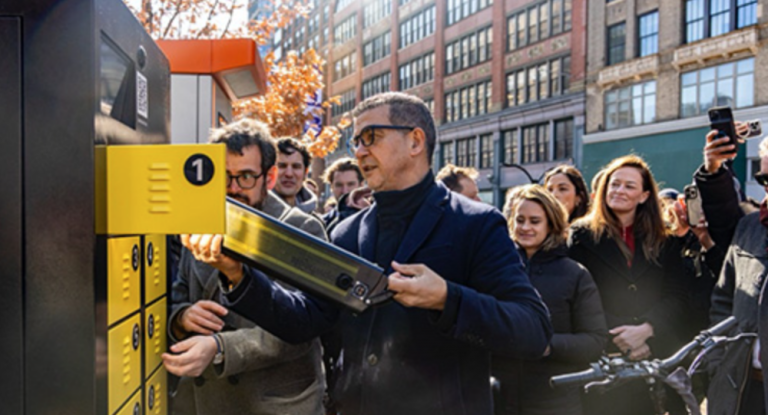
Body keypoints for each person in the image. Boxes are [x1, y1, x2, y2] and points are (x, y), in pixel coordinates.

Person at [184, 92, 553, 415]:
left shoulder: (475, 223)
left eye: (370, 137)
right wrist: (238, 275)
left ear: (415, 141)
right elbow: (306, 320)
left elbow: (533, 331)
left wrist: (447, 298)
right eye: (355, 141)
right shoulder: (346, 232)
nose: (359, 150)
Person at [161, 119, 327, 415]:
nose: (233, 188)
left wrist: (220, 347)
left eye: (246, 177)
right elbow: (177, 297)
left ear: (270, 176)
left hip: (272, 403)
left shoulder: (301, 228)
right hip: (204, 401)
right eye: (224, 177)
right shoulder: (199, 221)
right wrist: (183, 318)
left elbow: (303, 328)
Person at [568, 155, 688, 415]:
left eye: (629, 186)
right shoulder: (580, 235)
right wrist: (622, 336)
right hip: (602, 356)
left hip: (656, 353)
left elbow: (676, 295)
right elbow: (577, 297)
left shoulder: (664, 238)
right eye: (615, 184)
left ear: (644, 196)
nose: (619, 190)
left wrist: (647, 328)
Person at [493, 185, 606, 415]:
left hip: (555, 400)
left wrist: (547, 346)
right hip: (499, 397)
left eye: (535, 221)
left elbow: (595, 341)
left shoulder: (575, 274)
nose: (525, 227)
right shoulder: (495, 268)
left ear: (551, 224)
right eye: (520, 220)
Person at [704, 128, 767, 415]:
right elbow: (723, 303)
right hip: (741, 390)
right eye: (764, 179)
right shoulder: (750, 226)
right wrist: (718, 365)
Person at [274, 137, 318, 213]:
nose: (289, 174)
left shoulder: (315, 222)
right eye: (282, 166)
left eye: (296, 167)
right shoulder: (254, 214)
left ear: (306, 173)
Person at [321, 157, 366, 231]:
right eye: (339, 185)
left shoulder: (374, 219)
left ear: (361, 185)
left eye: (350, 184)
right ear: (331, 187)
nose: (345, 191)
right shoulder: (323, 223)